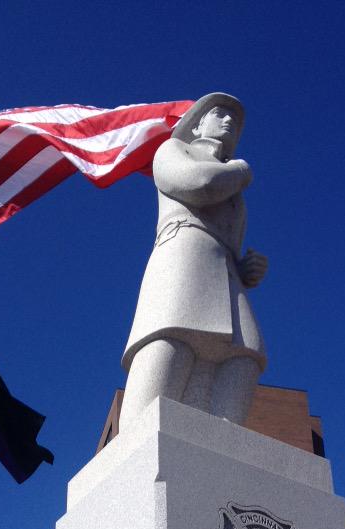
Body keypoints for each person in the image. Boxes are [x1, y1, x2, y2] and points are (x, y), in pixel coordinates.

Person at [119, 93, 268, 429]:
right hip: (184, 253)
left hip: (226, 271)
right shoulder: (174, 151)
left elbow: (230, 236)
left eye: (235, 120)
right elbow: (198, 185)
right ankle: (138, 433)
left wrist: (246, 270)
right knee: (174, 340)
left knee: (244, 356)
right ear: (198, 122)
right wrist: (240, 170)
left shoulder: (229, 178)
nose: (229, 122)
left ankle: (221, 444)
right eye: (220, 114)